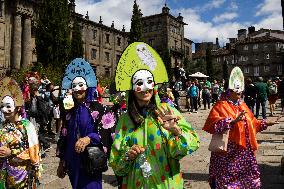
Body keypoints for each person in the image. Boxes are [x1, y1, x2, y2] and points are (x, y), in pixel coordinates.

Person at [109, 42, 200, 189]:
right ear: (132, 89)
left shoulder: (167, 111)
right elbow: (117, 165)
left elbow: (191, 144)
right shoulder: (125, 120)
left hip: (167, 185)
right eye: (139, 83)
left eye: (149, 82)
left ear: (154, 85)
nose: (145, 88)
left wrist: (176, 131)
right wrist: (128, 156)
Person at [202, 67, 280, 189]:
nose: (239, 91)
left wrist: (265, 123)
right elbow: (212, 124)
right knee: (226, 184)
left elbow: (253, 123)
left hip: (245, 156)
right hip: (227, 156)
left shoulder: (243, 105)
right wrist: (231, 121)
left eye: (240, 88)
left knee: (248, 183)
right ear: (229, 89)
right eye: (235, 88)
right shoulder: (220, 105)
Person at [57, 58, 113, 189]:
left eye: (80, 85)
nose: (77, 89)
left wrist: (89, 138)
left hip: (91, 162)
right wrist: (62, 162)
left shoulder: (99, 108)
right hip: (73, 163)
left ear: (88, 85)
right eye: (74, 86)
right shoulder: (69, 110)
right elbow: (64, 136)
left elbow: (107, 133)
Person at [0, 77, 41, 188]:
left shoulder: (27, 126)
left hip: (23, 175)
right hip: (5, 175)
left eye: (8, 106)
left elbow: (34, 152)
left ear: (17, 108)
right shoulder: (3, 126)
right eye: (2, 106)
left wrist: (11, 152)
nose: (4, 110)